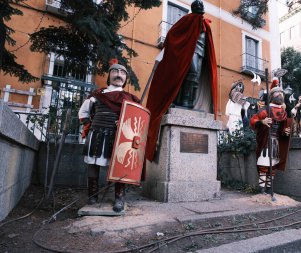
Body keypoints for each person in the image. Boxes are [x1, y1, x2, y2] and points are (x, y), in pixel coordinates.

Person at [145, 0, 218, 161]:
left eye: (202, 6)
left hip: (200, 53)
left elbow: (208, 44)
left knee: (196, 79)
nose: (200, 8)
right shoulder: (187, 20)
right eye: (198, 6)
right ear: (193, 8)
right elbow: (172, 34)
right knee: (189, 74)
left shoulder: (206, 25)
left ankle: (189, 103)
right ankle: (183, 101)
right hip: (189, 52)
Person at [78, 62, 140, 212]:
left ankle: (119, 198)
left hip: (119, 138)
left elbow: (136, 122)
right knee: (93, 164)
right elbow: (83, 113)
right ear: (109, 75)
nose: (119, 74)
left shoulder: (130, 99)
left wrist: (126, 122)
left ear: (125, 78)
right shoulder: (96, 96)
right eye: (115, 71)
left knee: (119, 166)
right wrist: (91, 125)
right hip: (97, 134)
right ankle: (92, 195)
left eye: (123, 73)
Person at [250, 83, 291, 195]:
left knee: (273, 166)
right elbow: (253, 121)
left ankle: (269, 189)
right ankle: (262, 189)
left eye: (282, 93)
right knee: (264, 165)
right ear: (273, 95)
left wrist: (285, 132)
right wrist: (261, 122)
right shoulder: (264, 110)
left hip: (276, 142)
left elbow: (282, 129)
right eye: (278, 92)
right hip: (265, 142)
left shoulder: (283, 112)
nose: (281, 94)